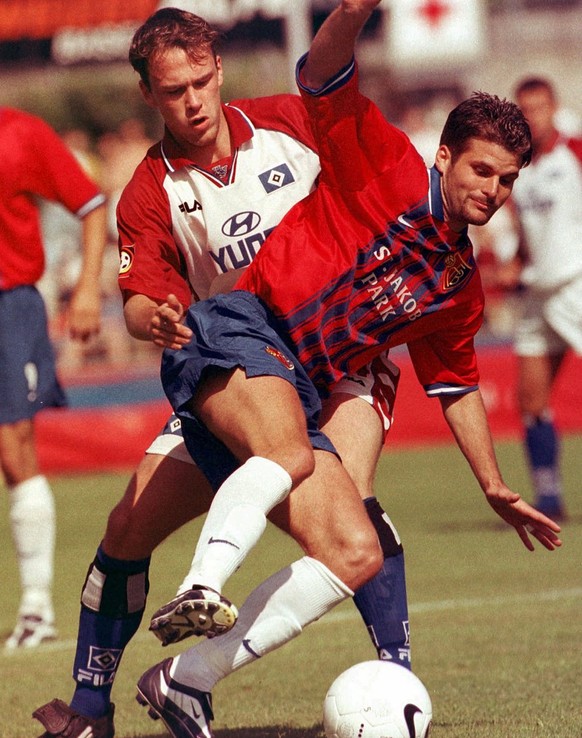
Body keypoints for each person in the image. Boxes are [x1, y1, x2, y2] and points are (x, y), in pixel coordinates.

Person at [125, 2, 561, 737]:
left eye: (508, 180)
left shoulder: (458, 282)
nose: (493, 189)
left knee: (356, 550)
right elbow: (323, 70)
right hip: (241, 325)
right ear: (445, 156)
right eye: (482, 169)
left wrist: (492, 482)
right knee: (279, 458)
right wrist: (354, 12)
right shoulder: (382, 157)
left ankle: (186, 680)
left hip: (309, 380)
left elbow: (455, 385)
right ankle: (199, 586)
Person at [32, 8, 409, 738]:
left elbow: (369, 174)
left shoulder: (290, 124)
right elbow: (139, 300)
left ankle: (395, 672)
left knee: (352, 515)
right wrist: (157, 320)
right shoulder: (150, 189)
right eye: (174, 92)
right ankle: (91, 710)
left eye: (202, 82)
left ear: (220, 71)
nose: (194, 102)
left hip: (338, 362)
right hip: (237, 371)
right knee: (126, 528)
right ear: (149, 95)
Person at [0, 108, 107, 651]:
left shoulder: (21, 133)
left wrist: (87, 288)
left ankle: (36, 607)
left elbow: (90, 206)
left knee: (13, 448)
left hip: (8, 307)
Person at [508, 76, 582, 520]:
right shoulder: (517, 167)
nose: (532, 115)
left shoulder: (574, 151)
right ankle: (550, 497)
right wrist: (515, 261)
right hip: (539, 289)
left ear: (554, 107)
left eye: (539, 106)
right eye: (525, 108)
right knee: (530, 399)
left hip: (576, 281)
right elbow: (525, 232)